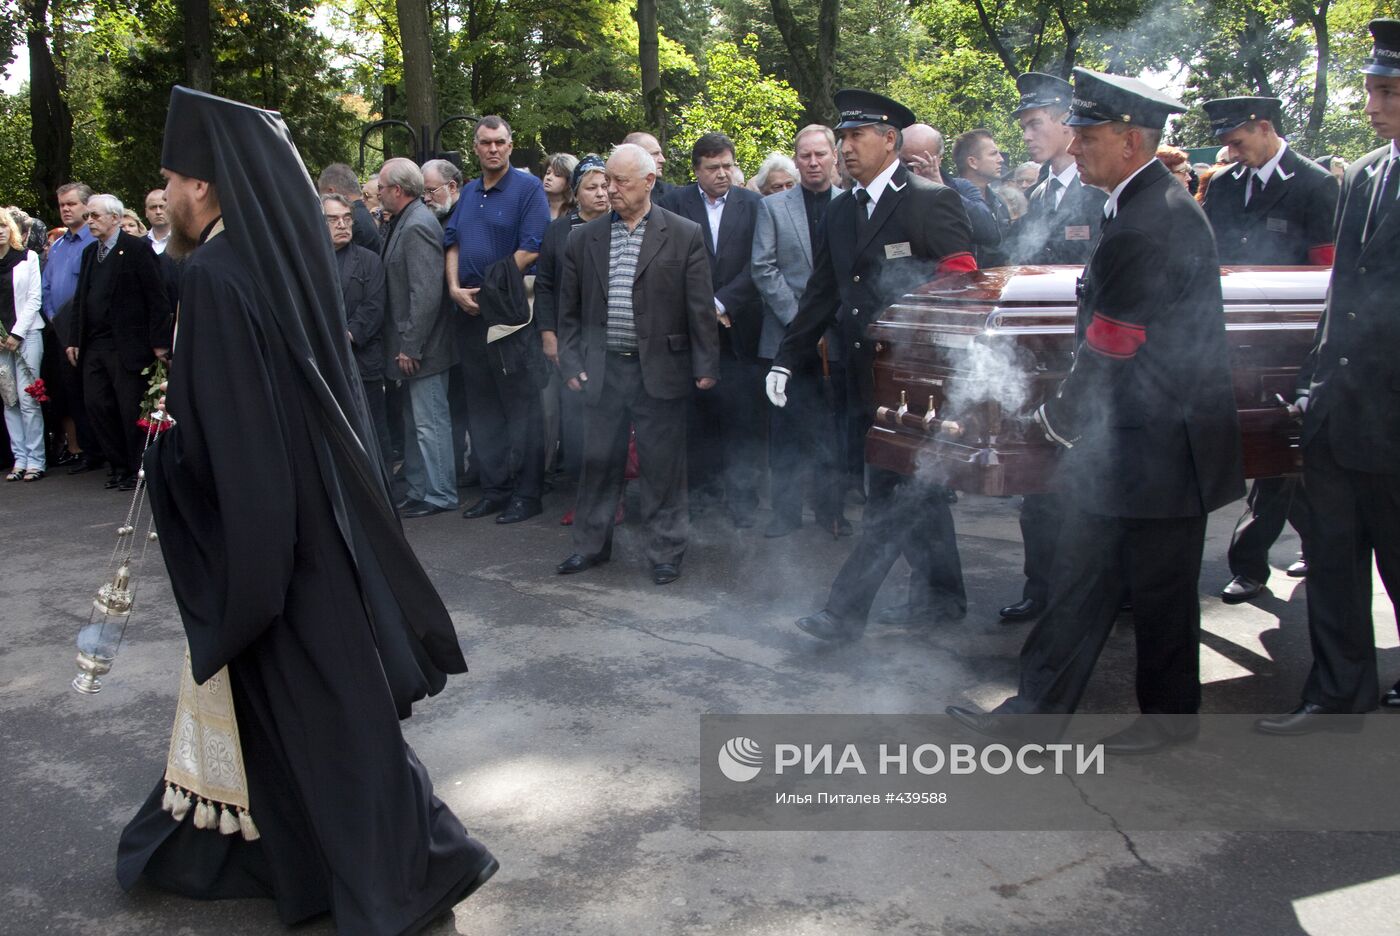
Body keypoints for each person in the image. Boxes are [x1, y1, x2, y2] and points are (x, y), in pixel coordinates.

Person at [116, 86, 497, 931]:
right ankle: (311, 870)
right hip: (311, 529)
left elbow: (238, 443)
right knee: (313, 717)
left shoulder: (214, 274)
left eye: (173, 177)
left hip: (272, 546)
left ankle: (418, 869)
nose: (168, 192)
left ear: (205, 187)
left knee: (337, 724)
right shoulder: (271, 257)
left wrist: (173, 463)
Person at [947, 70, 1245, 755]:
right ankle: (1037, 710)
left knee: (1162, 594)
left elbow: (1113, 342)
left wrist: (1053, 422)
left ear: (1132, 139)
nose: (1074, 145)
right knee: (1083, 575)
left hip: (1166, 446)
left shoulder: (1151, 219)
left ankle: (1168, 725)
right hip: (1131, 439)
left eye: (1088, 134)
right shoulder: (1133, 204)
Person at [768, 89, 977, 641]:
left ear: (890, 140)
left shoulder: (930, 201)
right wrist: (787, 360)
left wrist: (942, 372)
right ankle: (942, 598)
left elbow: (961, 289)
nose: (845, 147)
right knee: (918, 490)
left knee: (891, 489)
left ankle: (844, 612)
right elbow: (821, 293)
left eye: (857, 136)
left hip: (917, 380)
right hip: (866, 376)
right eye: (843, 137)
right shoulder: (842, 208)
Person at [1255, 20, 1400, 733]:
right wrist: (1312, 380)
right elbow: (1340, 290)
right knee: (1335, 561)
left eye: (1388, 90)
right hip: (1341, 409)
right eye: (1372, 88)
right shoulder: (1369, 171)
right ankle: (1338, 692)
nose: (1373, 103)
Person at [554, 143, 719, 584]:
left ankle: (666, 552)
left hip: (662, 367)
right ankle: (590, 547)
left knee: (663, 467)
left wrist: (705, 363)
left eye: (619, 181)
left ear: (648, 182)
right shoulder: (582, 238)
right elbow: (567, 312)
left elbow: (700, 307)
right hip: (602, 368)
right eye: (607, 180)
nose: (610, 189)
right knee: (598, 462)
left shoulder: (684, 233)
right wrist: (570, 362)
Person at [1201, 95, 1340, 607]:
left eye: (1237, 141)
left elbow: (1326, 272)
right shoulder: (1222, 186)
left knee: (1278, 452)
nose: (1231, 152)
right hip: (1234, 336)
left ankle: (1252, 561)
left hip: (1292, 340)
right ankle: (1306, 545)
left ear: (1264, 127)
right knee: (1272, 454)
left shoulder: (1314, 184)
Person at [1001, 72, 1108, 625]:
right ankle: (1040, 588)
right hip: (1045, 361)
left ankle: (1097, 595)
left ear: (1068, 123)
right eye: (1023, 126)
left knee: (1087, 488)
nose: (1027, 136)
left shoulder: (1102, 191)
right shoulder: (1040, 193)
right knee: (1037, 489)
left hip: (1092, 359)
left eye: (1035, 123)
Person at [444, 116, 552, 524]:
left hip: (509, 318)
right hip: (468, 313)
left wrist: (490, 289)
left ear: (510, 145)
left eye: (500, 142)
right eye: (485, 142)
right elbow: (450, 241)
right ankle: (495, 489)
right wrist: (454, 287)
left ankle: (527, 494)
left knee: (520, 407)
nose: (493, 149)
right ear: (475, 147)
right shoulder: (469, 192)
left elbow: (532, 248)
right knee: (482, 407)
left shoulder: (528, 190)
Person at [660, 132, 765, 527]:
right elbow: (667, 263)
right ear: (696, 170)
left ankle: (743, 501)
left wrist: (722, 303)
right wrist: (702, 307)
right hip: (690, 330)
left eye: (727, 165)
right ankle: (702, 498)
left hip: (740, 328)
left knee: (741, 417)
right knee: (699, 417)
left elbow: (760, 263)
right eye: (712, 168)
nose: (722, 174)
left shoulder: (754, 204)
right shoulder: (673, 204)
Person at [751, 124, 850, 538]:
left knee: (834, 428)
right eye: (805, 156)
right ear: (796, 159)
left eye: (820, 155)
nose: (812, 162)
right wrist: (802, 323)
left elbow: (858, 271)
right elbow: (763, 266)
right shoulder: (774, 207)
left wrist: (830, 319)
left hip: (840, 336)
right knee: (786, 432)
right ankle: (785, 514)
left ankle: (832, 512)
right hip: (787, 338)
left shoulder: (852, 204)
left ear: (833, 157)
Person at [66, 193, 172, 492]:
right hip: (94, 345)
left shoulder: (137, 249)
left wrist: (160, 342)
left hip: (127, 346)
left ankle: (136, 467)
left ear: (115, 217)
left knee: (128, 409)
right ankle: (117, 465)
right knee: (97, 405)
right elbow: (81, 302)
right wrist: (74, 338)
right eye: (88, 217)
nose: (90, 222)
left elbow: (156, 297)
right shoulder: (90, 254)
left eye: (95, 216)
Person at [378, 157, 460, 517]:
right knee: (416, 423)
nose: (378, 193)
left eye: (381, 187)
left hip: (425, 348)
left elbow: (426, 294)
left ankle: (440, 494)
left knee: (430, 423)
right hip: (413, 348)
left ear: (397, 190)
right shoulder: (405, 221)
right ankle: (418, 488)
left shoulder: (417, 226)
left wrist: (410, 345)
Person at [535, 153, 610, 496]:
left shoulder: (620, 225)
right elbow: (545, 285)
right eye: (592, 187)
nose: (601, 193)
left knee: (609, 417)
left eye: (606, 185)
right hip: (570, 338)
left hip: (609, 337)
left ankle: (611, 493)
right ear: (577, 192)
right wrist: (548, 335)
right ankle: (581, 494)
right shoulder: (559, 230)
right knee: (575, 417)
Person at [324, 193, 392, 470]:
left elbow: (374, 307)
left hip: (363, 361)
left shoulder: (369, 260)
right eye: (334, 219)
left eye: (347, 218)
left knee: (374, 432)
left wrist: (347, 336)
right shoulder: (310, 262)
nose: (342, 224)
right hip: (326, 364)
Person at [42, 182, 97, 472]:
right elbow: (47, 287)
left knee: (95, 394)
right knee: (71, 393)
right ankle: (85, 451)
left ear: (87, 206)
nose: (65, 209)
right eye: (62, 204)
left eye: (72, 204)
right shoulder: (60, 246)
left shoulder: (94, 241)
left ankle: (102, 451)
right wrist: (54, 317)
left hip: (89, 331)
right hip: (62, 332)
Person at [0, 210, 44, 481]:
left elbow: (34, 298)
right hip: (0, 341)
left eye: (3, 225)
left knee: (28, 399)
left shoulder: (28, 258)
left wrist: (16, 334)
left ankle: (36, 460)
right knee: (9, 399)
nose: (0, 231)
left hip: (27, 334)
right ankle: (20, 458)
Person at [950, 128, 1012, 267]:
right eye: (993, 154)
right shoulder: (947, 201)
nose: (1001, 160)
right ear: (972, 162)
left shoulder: (999, 202)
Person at [317, 161, 381, 252]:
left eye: (322, 195)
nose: (342, 225)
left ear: (331, 192)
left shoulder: (356, 222)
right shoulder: (364, 216)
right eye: (333, 219)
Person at [623, 131, 673, 200]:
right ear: (633, 157)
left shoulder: (671, 195)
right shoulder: (613, 192)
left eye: (660, 153)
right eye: (655, 154)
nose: (663, 160)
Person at [541, 152, 578, 219]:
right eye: (548, 173)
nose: (548, 178)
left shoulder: (577, 212)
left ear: (570, 180)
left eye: (557, 175)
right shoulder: (535, 205)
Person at [144, 189, 171, 254]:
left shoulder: (185, 242)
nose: (158, 212)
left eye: (162, 207)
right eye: (153, 207)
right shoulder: (138, 244)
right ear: (146, 212)